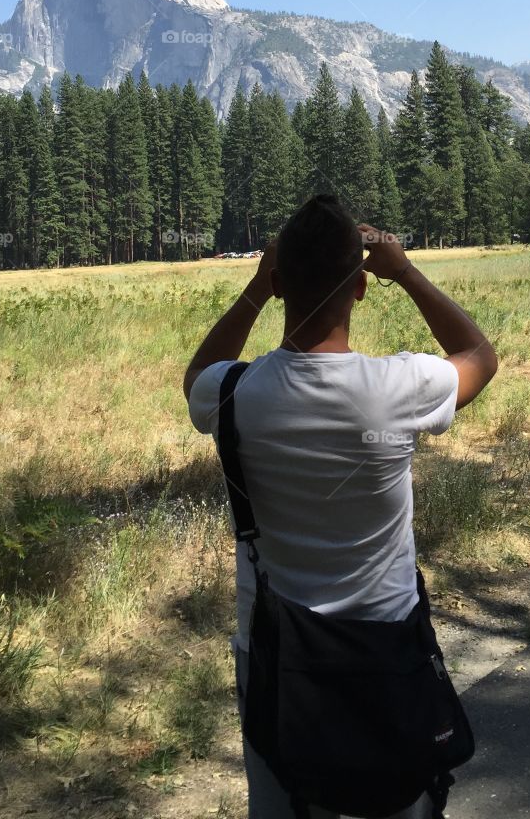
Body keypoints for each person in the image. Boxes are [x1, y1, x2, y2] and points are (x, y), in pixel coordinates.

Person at [184, 194, 498, 819]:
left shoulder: (235, 394)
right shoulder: (399, 388)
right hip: (386, 641)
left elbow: (199, 371)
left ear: (278, 283)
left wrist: (254, 290)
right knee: (399, 798)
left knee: (282, 800)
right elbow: (479, 358)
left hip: (275, 646)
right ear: (358, 288)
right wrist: (404, 271)